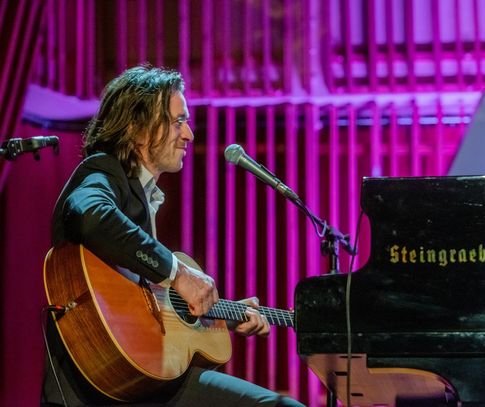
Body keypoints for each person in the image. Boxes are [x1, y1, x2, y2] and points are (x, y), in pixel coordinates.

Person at [41, 65, 304, 407]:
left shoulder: (140, 193)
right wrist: (179, 273)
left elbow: (145, 308)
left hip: (143, 380)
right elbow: (89, 215)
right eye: (178, 121)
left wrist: (217, 313)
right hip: (99, 387)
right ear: (137, 127)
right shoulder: (103, 170)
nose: (189, 134)